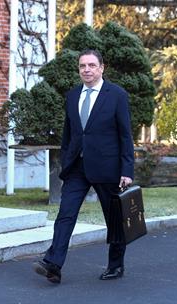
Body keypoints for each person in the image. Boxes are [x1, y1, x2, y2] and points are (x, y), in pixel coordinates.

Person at [33, 49, 134, 284]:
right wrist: (66, 161)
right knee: (65, 214)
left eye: (91, 65)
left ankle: (116, 265)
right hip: (77, 167)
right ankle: (53, 265)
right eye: (82, 66)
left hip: (108, 168)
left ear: (101, 68)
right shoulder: (72, 95)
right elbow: (69, 133)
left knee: (114, 220)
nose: (86, 69)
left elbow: (125, 136)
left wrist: (126, 171)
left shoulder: (116, 95)